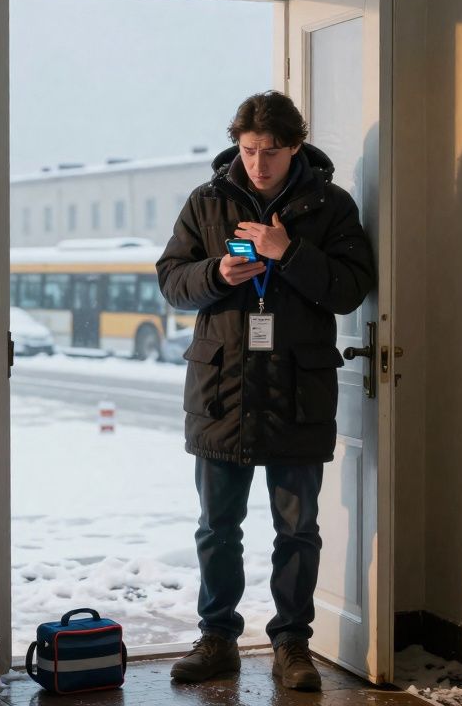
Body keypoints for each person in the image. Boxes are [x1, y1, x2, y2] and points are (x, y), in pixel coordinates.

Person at [155, 91, 375, 691]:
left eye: (271, 151)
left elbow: (350, 288)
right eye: (250, 150)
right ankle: (217, 640)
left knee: (297, 531)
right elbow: (171, 281)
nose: (258, 163)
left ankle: (292, 646)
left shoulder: (331, 206)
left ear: (296, 147)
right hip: (221, 391)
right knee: (216, 528)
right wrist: (216, 274)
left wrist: (290, 252)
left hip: (297, 394)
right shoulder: (207, 202)